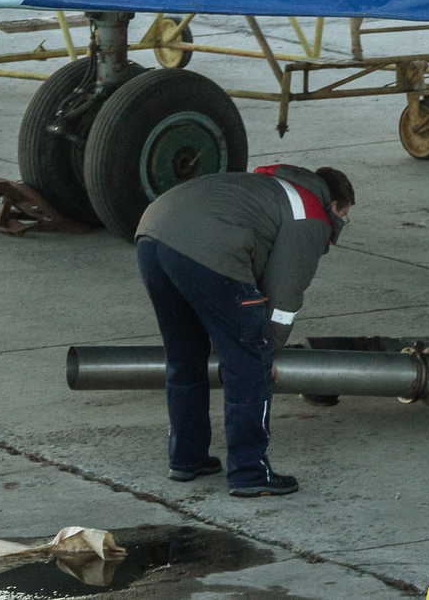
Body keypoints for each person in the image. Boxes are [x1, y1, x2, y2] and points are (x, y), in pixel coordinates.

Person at [133, 162, 355, 498]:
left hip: (152, 235)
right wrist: (268, 353)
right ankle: (249, 472)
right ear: (336, 205)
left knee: (185, 355)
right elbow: (284, 296)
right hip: (208, 248)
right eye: (344, 215)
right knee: (250, 362)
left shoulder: (267, 188)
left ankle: (186, 458)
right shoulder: (310, 214)